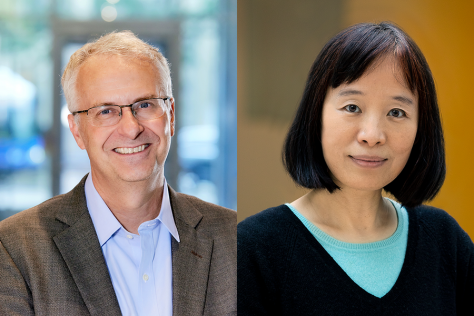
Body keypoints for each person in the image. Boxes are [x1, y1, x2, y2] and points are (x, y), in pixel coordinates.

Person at [238, 22, 474, 315]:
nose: (372, 134)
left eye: (397, 112)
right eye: (352, 107)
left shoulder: (445, 242)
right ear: (316, 114)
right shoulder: (253, 250)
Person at [0, 31, 236, 316]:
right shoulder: (15, 249)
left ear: (170, 116)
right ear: (77, 130)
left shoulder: (235, 239)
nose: (131, 128)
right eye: (106, 111)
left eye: (145, 105)